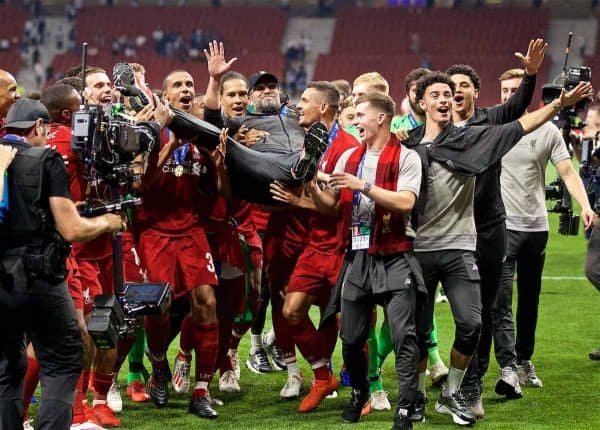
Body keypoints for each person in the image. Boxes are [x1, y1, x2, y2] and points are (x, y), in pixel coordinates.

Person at [404, 71, 591, 426]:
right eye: (441, 93)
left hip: (473, 240)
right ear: (422, 102)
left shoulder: (476, 135)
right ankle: (411, 399)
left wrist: (554, 101)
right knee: (415, 327)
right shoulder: (409, 144)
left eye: (454, 91)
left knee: (477, 319)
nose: (449, 97)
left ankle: (461, 389)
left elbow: (520, 120)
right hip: (422, 247)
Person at [0, 98, 124, 430]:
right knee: (63, 360)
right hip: (39, 278)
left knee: (7, 367)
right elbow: (73, 229)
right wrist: (109, 223)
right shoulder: (46, 158)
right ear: (38, 127)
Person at [444, 38, 546, 417]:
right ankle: (431, 379)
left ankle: (472, 387)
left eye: (463, 86)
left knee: (483, 312)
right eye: (450, 88)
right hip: (446, 232)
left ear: (475, 92)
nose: (456, 93)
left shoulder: (491, 120)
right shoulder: (436, 131)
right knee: (436, 312)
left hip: (487, 230)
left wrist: (532, 75)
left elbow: (519, 106)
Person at [315, 92, 424, 430]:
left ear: (380, 119)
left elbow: (405, 202)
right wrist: (310, 186)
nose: (354, 121)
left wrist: (361, 185)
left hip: (395, 255)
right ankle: (360, 390)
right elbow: (331, 206)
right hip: (358, 255)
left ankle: (406, 408)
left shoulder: (407, 157)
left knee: (404, 336)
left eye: (360, 115)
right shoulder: (349, 156)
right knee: (349, 338)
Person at [493, 68, 597, 393]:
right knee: (501, 299)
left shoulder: (547, 133)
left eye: (514, 89)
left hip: (536, 227)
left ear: (525, 94)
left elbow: (567, 171)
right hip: (503, 227)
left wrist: (586, 206)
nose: (509, 95)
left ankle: (524, 360)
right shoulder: (491, 130)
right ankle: (508, 368)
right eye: (505, 91)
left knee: (530, 299)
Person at [269, 81, 359, 413]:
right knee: (291, 309)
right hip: (315, 244)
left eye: (305, 100)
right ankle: (322, 376)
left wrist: (298, 199)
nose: (298, 105)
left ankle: (361, 389)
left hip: (342, 245)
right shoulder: (304, 139)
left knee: (351, 321)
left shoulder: (348, 146)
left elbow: (336, 207)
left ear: (324, 108)